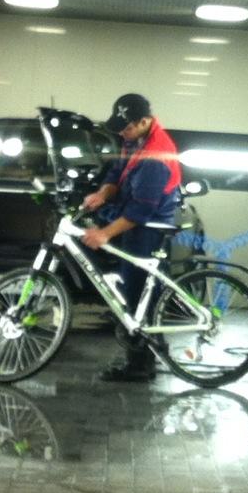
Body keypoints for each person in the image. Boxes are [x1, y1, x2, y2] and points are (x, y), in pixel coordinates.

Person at [81, 93, 182, 382]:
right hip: (134, 222)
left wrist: (104, 234)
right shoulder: (134, 139)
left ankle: (140, 366)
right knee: (135, 292)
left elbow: (140, 211)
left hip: (148, 229)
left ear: (145, 121)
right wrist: (102, 193)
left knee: (138, 297)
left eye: (126, 127)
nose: (122, 133)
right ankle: (152, 351)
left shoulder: (157, 155)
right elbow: (117, 172)